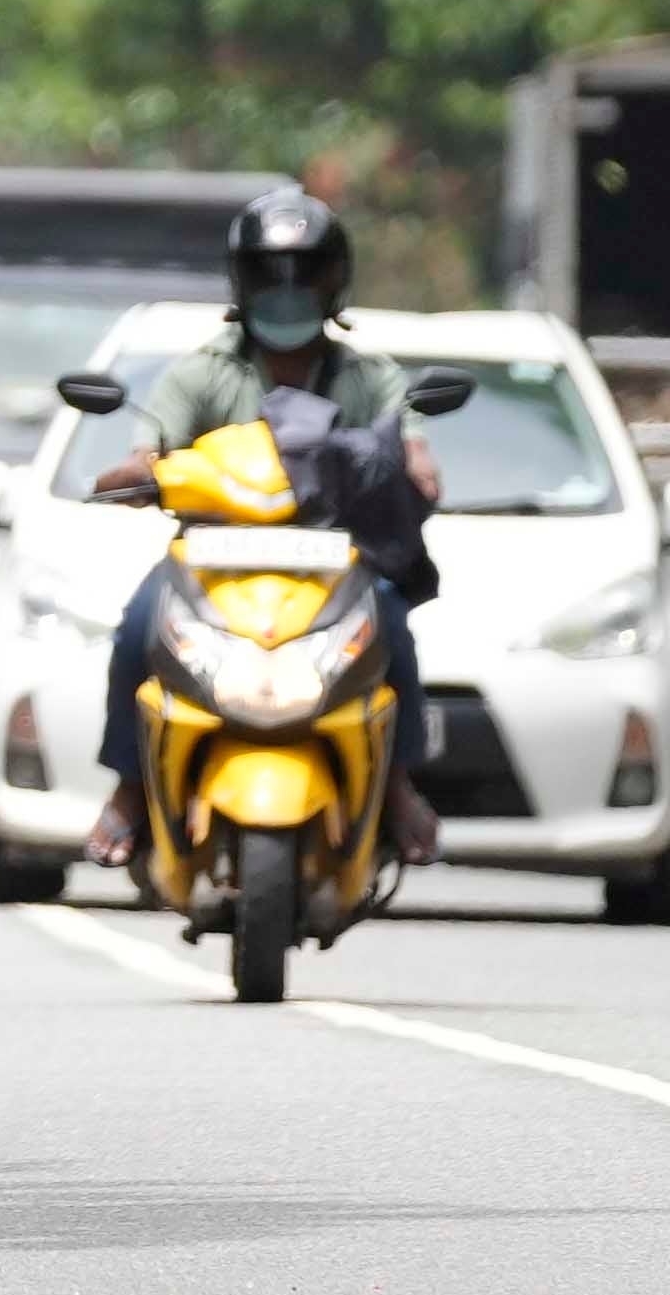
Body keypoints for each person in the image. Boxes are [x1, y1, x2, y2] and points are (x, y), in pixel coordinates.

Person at [82, 189, 444, 870]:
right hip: (213, 565)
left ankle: (396, 782)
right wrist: (134, 476)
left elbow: (414, 449)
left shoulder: (369, 376)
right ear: (241, 280)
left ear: (334, 281)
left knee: (393, 622)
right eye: (271, 273)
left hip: (338, 564)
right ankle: (131, 785)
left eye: (304, 273)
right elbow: (148, 450)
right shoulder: (202, 373)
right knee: (137, 624)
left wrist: (415, 472)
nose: (288, 290)